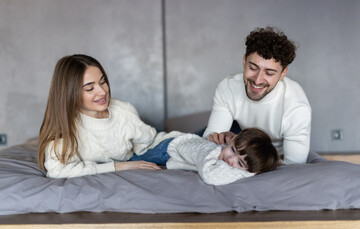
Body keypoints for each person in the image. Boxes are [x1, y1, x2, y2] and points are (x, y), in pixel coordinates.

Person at [38, 54, 181, 178]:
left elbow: (150, 142)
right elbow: (57, 170)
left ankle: (199, 138)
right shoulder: (63, 128)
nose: (102, 91)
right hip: (128, 162)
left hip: (139, 154)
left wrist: (176, 142)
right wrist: (117, 166)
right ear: (70, 95)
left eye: (103, 82)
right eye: (90, 88)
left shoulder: (123, 110)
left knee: (176, 146)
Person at [203, 27, 311, 164]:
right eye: (253, 68)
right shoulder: (228, 87)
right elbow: (210, 137)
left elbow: (294, 165)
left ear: (283, 73)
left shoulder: (296, 108)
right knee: (178, 145)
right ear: (244, 61)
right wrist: (219, 137)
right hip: (238, 136)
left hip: (271, 157)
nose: (258, 80)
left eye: (270, 73)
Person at [166, 128, 279, 185]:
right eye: (233, 149)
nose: (230, 159)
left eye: (239, 163)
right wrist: (244, 171)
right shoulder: (211, 151)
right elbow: (209, 175)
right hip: (171, 146)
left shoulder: (246, 165)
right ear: (233, 139)